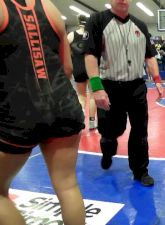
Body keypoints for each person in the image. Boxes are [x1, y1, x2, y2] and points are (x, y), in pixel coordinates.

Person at [0, 0, 85, 224]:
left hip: (19, 108)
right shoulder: (51, 9)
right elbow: (66, 68)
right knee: (67, 184)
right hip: (63, 103)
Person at [84, 0, 163, 186]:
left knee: (140, 130)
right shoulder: (97, 20)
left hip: (136, 86)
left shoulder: (140, 25)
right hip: (109, 86)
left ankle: (140, 170)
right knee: (112, 131)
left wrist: (158, 80)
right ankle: (107, 148)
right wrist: (97, 87)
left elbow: (149, 56)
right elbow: (90, 54)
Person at [68, 15, 97, 130]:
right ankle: (92, 122)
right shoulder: (93, 35)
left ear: (78, 21)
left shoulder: (70, 35)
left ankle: (79, 122)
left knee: (81, 95)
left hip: (78, 68)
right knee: (93, 96)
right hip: (92, 69)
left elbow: (68, 53)